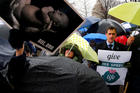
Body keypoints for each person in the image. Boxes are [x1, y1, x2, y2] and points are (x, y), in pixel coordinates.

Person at [4, 28, 111, 93]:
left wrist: (19, 51)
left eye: (70, 51)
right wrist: (19, 51)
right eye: (66, 51)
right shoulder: (54, 60)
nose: (67, 53)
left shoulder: (79, 70)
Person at [95, 26, 127, 93]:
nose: (111, 36)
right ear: (106, 34)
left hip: (115, 80)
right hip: (102, 79)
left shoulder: (122, 47)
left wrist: (126, 65)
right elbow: (94, 62)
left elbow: (125, 62)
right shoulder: (99, 47)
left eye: (113, 34)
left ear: (116, 35)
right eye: (109, 34)